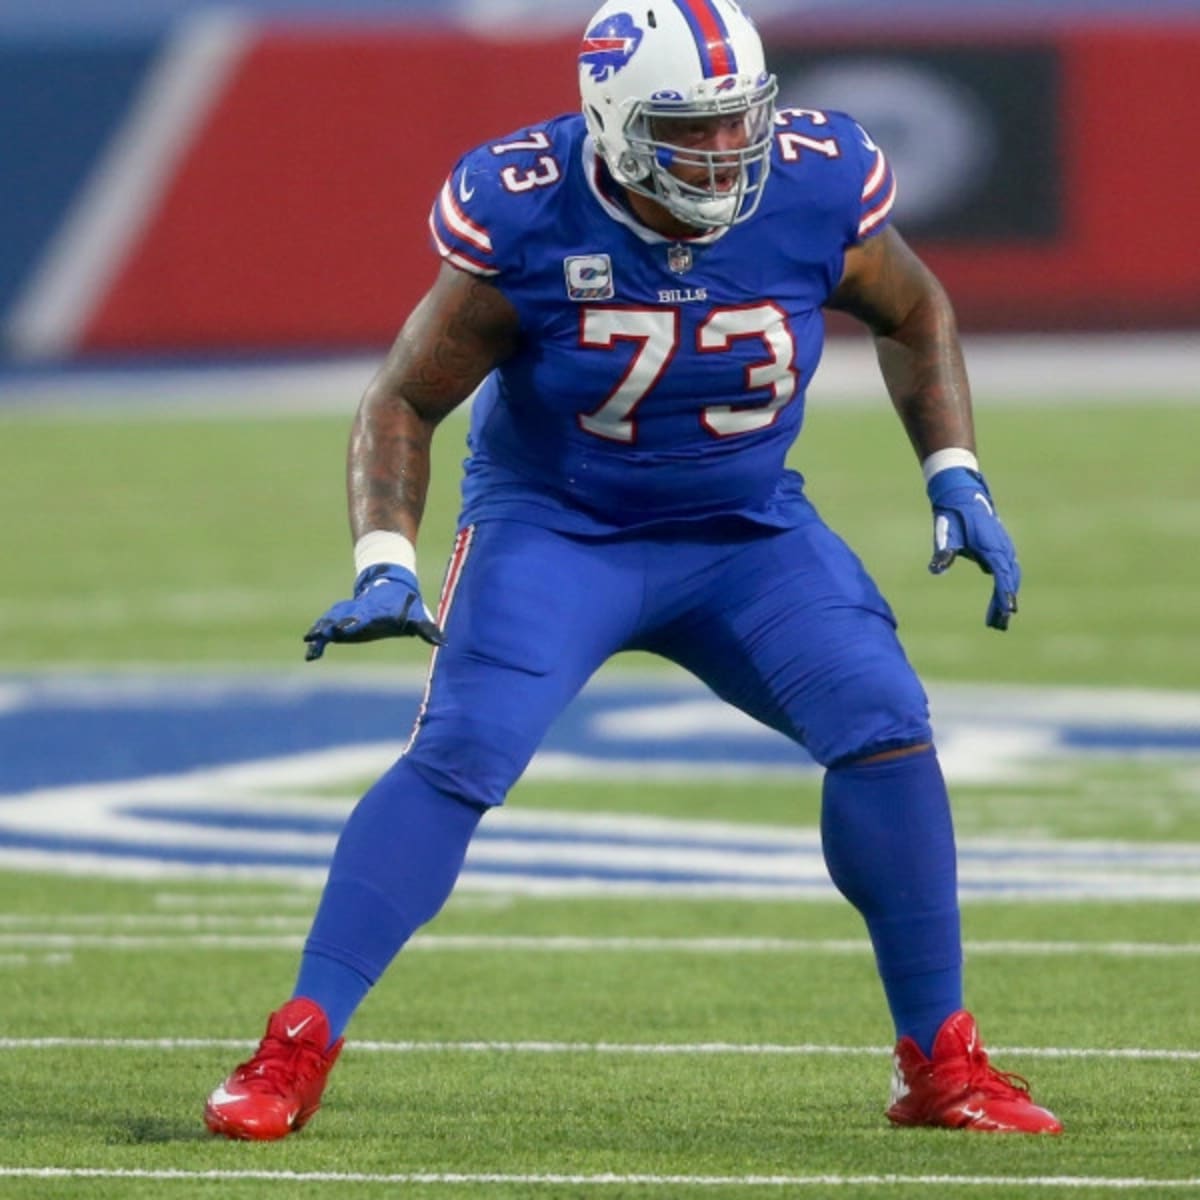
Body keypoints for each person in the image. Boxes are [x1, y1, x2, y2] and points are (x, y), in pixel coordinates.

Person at [204, 0, 1061, 1140]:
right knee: (458, 754)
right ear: (611, 119)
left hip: (745, 533)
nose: (724, 151)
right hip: (558, 531)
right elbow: (405, 396)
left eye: (736, 121)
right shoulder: (529, 211)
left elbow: (912, 309)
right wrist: (382, 559)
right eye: (689, 128)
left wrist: (956, 472)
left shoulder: (813, 181)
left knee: (886, 722)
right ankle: (293, 1048)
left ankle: (940, 1066)